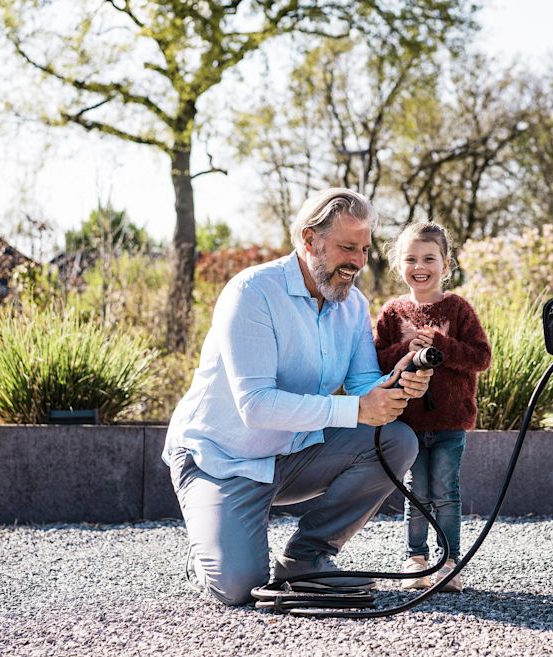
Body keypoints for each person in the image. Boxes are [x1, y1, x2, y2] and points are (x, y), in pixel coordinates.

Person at [162, 188, 433, 606]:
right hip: (221, 460)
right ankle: (206, 549)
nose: (358, 262)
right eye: (347, 248)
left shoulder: (352, 305)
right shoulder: (252, 292)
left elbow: (362, 385)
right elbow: (255, 406)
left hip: (292, 453)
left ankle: (305, 558)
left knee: (396, 440)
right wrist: (358, 408)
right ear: (310, 240)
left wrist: (397, 383)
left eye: (364, 250)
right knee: (238, 588)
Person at [374, 221, 491, 592]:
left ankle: (449, 560)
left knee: (445, 491)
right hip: (407, 423)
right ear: (399, 265)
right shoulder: (392, 313)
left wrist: (441, 345)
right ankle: (416, 558)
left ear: (446, 264)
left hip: (449, 422)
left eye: (428, 258)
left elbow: (480, 357)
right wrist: (404, 350)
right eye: (410, 259)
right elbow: (376, 360)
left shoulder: (458, 309)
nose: (419, 266)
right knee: (416, 491)